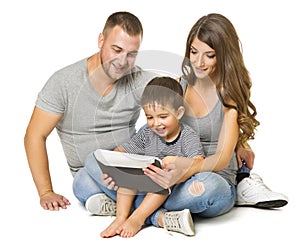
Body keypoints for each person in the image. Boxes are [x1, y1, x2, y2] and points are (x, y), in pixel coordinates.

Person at [93, 12, 288, 235]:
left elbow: (222, 158)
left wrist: (184, 171)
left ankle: (141, 213)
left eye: (209, 55)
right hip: (168, 173)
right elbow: (155, 127)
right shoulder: (180, 85)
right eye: (194, 52)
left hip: (210, 175)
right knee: (91, 165)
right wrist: (123, 165)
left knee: (206, 190)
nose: (198, 62)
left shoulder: (228, 97)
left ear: (223, 56)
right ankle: (155, 213)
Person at [24, 11, 156, 210]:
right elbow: (35, 135)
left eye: (131, 54)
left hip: (131, 167)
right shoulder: (64, 82)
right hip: (91, 175)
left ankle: (129, 206)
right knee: (84, 182)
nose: (122, 61)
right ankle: (152, 209)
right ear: (101, 40)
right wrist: (46, 192)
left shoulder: (137, 79)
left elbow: (177, 94)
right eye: (117, 49)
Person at [100, 76, 205, 238]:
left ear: (179, 113)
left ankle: (137, 218)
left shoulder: (187, 136)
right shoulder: (147, 133)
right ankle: (120, 217)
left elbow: (199, 161)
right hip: (146, 178)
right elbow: (123, 149)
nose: (156, 123)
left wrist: (177, 162)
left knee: (159, 183)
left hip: (172, 184)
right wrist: (114, 159)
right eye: (150, 117)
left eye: (163, 117)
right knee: (126, 176)